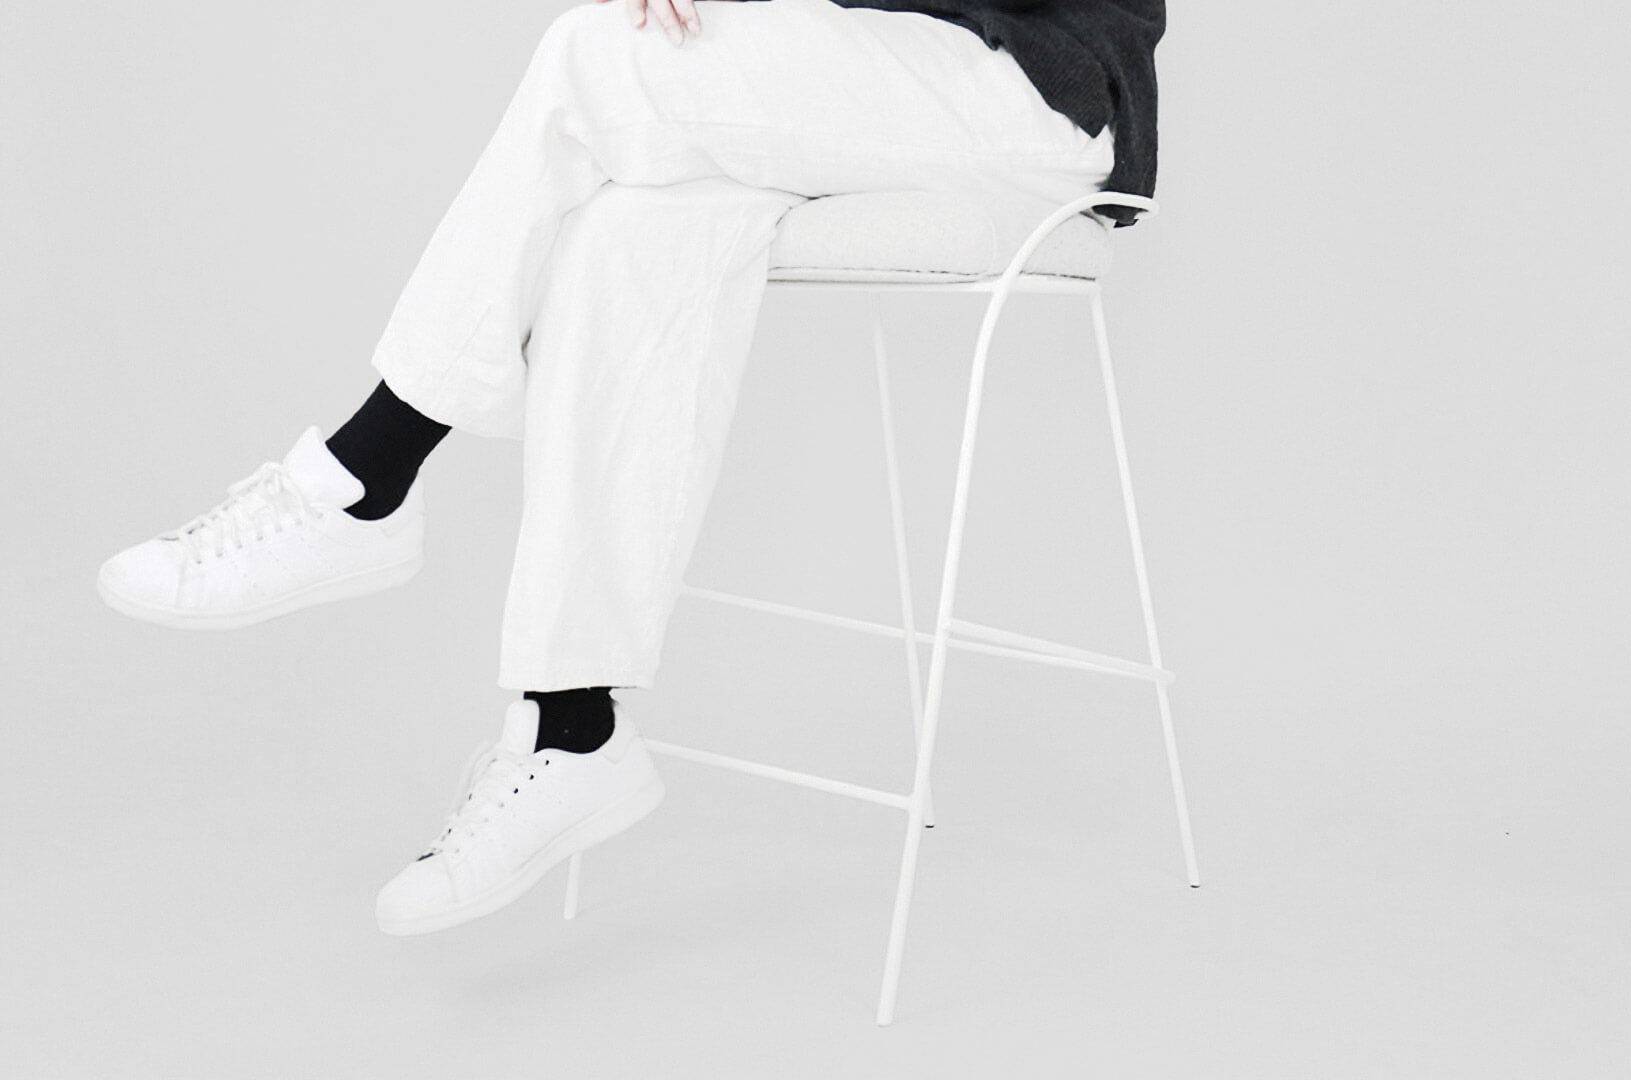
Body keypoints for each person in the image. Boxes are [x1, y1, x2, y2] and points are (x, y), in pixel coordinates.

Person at [96, 0, 1164, 936]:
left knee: (596, 57)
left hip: (1035, 87)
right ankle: (572, 725)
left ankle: (365, 476)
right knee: (627, 226)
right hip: (872, 66)